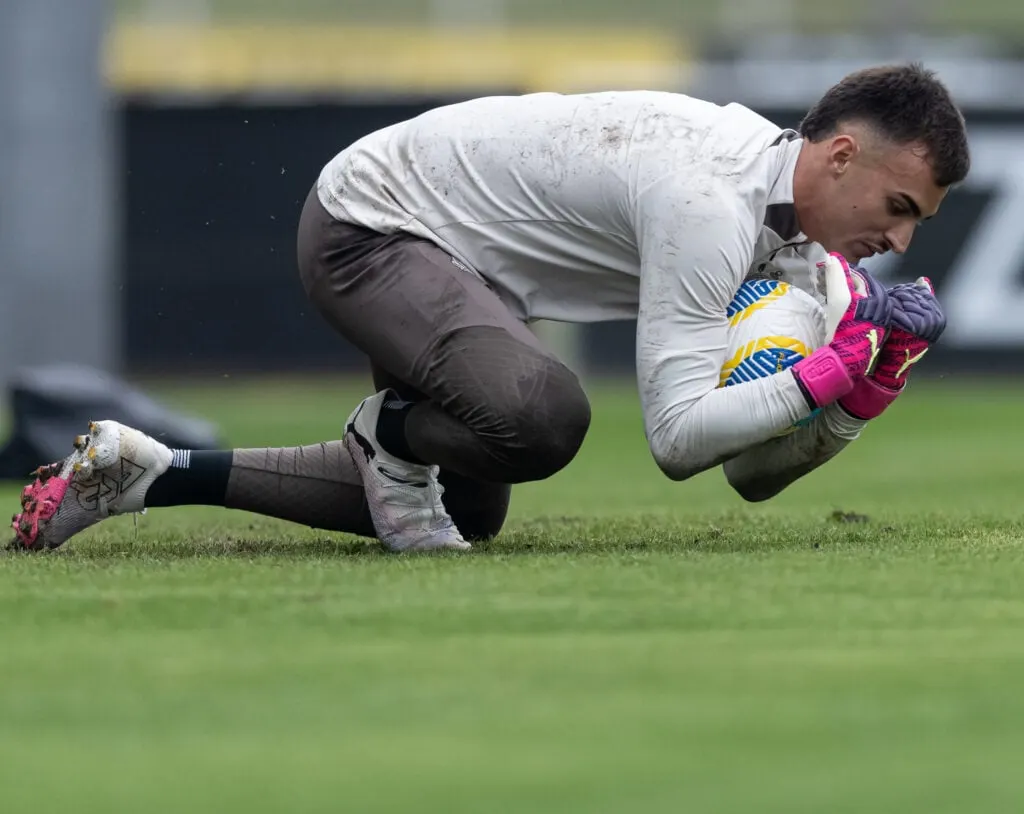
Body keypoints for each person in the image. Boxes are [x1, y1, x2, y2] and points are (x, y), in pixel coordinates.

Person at [10, 62, 966, 553]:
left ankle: (142, 475)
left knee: (469, 505)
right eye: (897, 209)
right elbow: (679, 442)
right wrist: (828, 369)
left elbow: (750, 477)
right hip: (369, 225)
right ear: (840, 155)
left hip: (461, 270)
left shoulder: (807, 255)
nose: (899, 244)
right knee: (541, 417)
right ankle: (391, 435)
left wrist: (854, 401)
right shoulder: (707, 201)